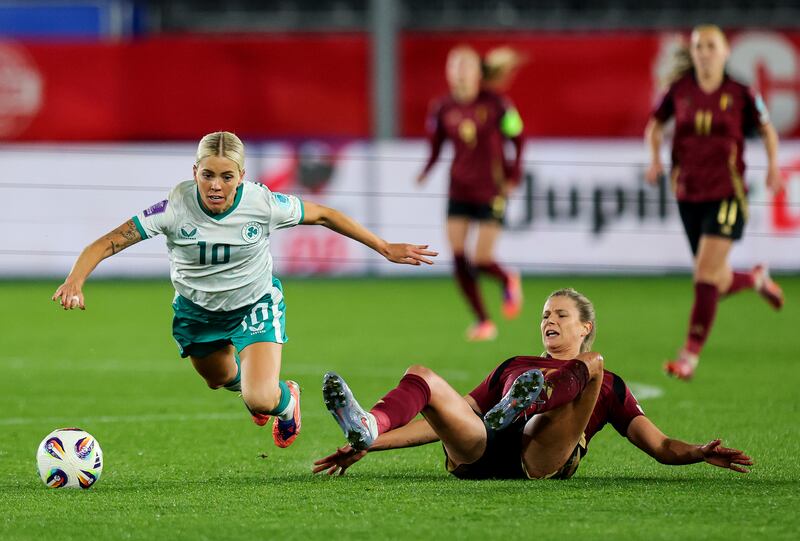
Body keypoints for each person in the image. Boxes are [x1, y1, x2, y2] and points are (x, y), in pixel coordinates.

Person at [52, 131, 437, 449]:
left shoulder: (262, 202)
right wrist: (75, 280)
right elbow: (108, 242)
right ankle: (262, 387)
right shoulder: (174, 207)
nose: (215, 185)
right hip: (197, 312)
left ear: (241, 176)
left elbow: (325, 214)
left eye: (226, 176)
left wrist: (383, 247)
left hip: (254, 304)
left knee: (259, 399)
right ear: (195, 172)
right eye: (207, 175)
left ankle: (285, 401)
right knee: (217, 378)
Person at [313, 288, 752, 479]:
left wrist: (698, 452)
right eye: (544, 315)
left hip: (540, 455)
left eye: (560, 314)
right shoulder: (514, 365)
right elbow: (445, 420)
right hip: (481, 448)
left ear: (585, 327)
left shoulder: (608, 384)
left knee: (592, 366)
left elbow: (660, 446)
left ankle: (530, 403)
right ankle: (369, 423)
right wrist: (372, 443)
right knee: (423, 375)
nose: (549, 320)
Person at [644, 25, 785, 381]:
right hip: (688, 193)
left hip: (727, 193)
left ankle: (689, 356)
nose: (704, 52)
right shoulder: (679, 90)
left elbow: (767, 130)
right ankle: (754, 278)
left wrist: (773, 168)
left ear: (725, 52)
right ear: (692, 53)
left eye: (711, 46)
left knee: (705, 276)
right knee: (715, 280)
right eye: (698, 46)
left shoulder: (740, 92)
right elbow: (655, 126)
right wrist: (655, 158)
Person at [417, 45, 526, 342]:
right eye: (454, 66)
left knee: (481, 259)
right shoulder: (442, 107)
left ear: (478, 72)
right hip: (459, 188)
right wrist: (426, 170)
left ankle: (507, 278)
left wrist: (514, 175)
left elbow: (518, 138)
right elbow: (436, 145)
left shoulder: (497, 104)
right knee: (457, 256)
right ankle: (483, 321)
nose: (460, 72)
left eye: (466, 66)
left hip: (491, 189)